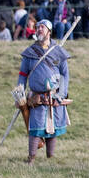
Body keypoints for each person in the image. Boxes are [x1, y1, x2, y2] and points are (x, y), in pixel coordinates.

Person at [14, 19, 71, 165]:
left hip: (54, 96)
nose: (39, 29)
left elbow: (64, 74)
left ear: (49, 31)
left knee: (53, 129)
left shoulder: (58, 51)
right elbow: (22, 75)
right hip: (37, 98)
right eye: (37, 27)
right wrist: (20, 93)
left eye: (42, 27)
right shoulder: (30, 52)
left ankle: (50, 159)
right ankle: (31, 158)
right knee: (35, 128)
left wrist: (61, 94)